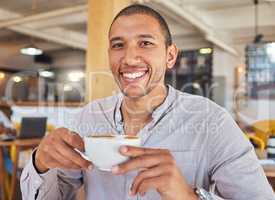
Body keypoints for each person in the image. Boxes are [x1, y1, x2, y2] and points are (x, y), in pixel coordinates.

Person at [20, 4, 274, 200]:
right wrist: (40, 164)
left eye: (145, 43)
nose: (130, 58)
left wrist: (187, 195)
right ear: (109, 55)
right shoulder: (89, 117)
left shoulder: (212, 121)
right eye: (118, 45)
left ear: (170, 56)